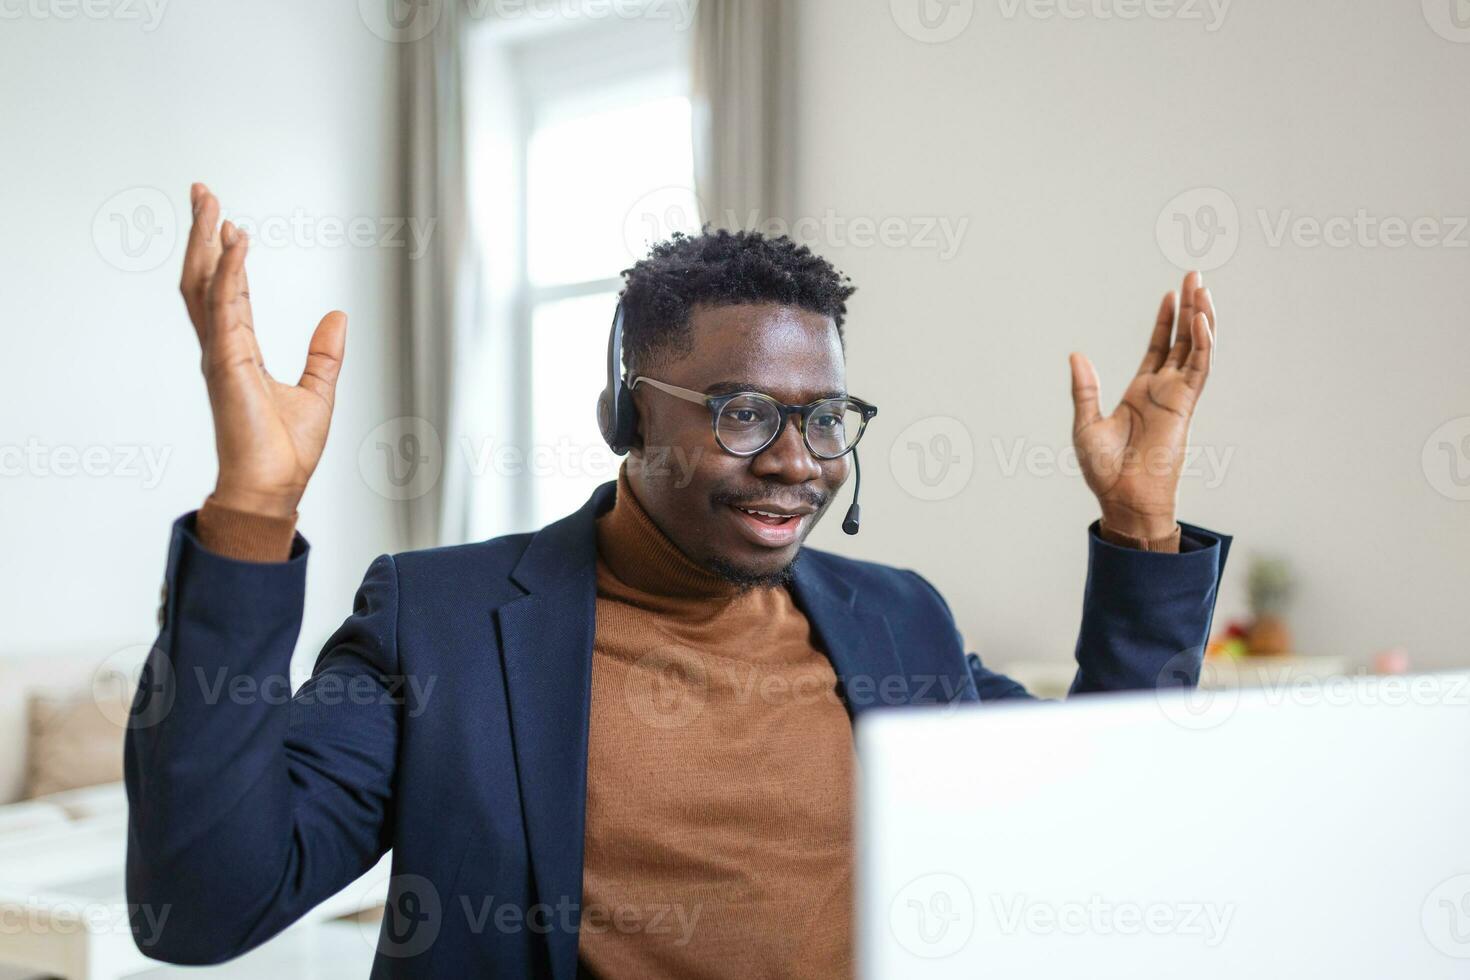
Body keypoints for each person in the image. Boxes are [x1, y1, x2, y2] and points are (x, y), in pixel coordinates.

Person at [125, 182, 1229, 979]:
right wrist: (252, 512)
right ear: (628, 414)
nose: (798, 459)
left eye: (825, 418)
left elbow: (1100, 808)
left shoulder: (899, 620)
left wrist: (1138, 524)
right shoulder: (442, 624)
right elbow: (203, 908)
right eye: (745, 413)